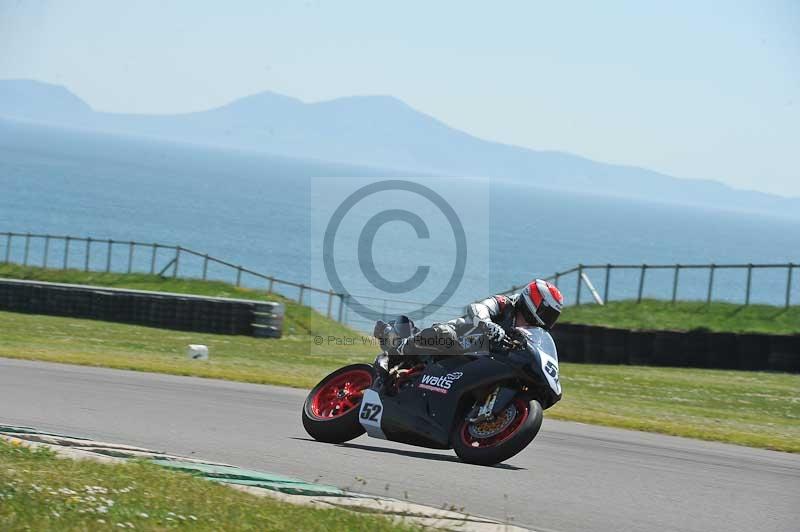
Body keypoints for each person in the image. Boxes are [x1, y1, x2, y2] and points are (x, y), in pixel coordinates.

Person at [374, 279, 564, 368]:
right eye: (547, 312)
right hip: (462, 338)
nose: (548, 319)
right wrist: (488, 325)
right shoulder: (506, 304)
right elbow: (477, 308)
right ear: (534, 304)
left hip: (479, 362)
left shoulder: (531, 333)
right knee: (447, 334)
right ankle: (401, 345)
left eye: (553, 316)